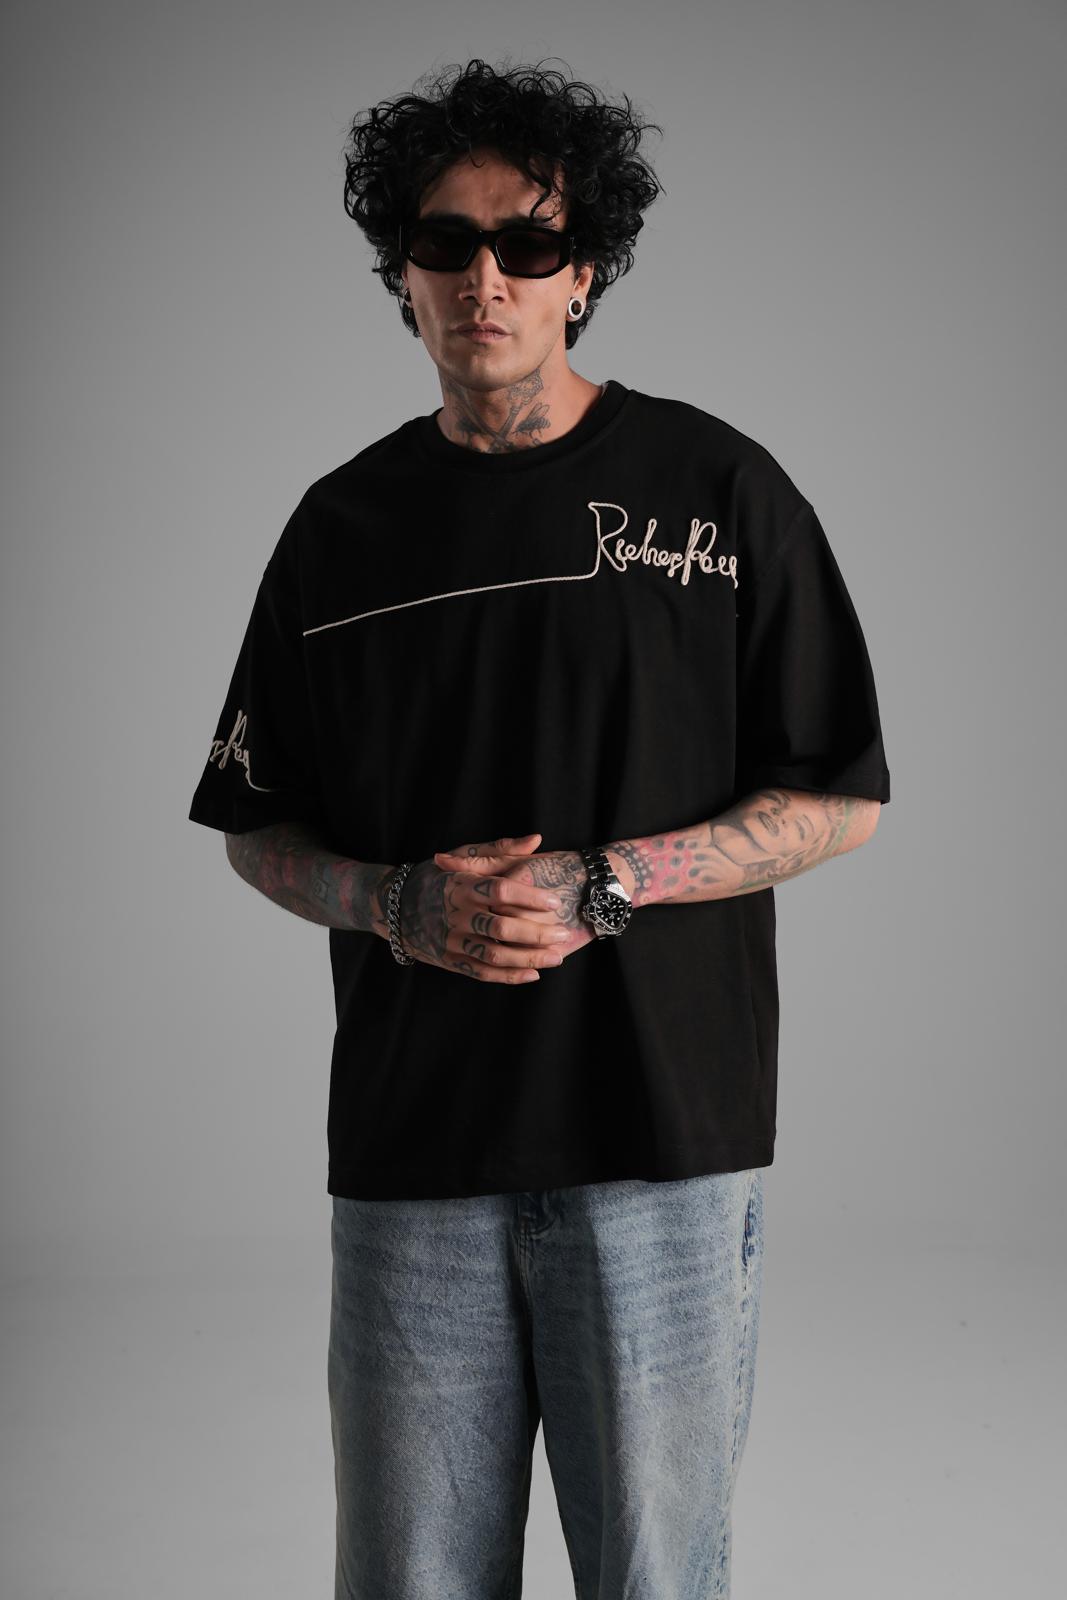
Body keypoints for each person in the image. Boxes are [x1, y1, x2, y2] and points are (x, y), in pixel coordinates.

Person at [188, 55, 891, 1600]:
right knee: (411, 1581)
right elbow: (254, 824)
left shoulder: (718, 494)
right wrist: (397, 904)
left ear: (585, 272)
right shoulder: (339, 532)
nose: (485, 277)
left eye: (529, 242)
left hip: (662, 1144)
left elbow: (840, 794)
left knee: (656, 1578)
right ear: (402, 272)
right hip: (416, 1154)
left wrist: (609, 880)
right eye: (446, 243)